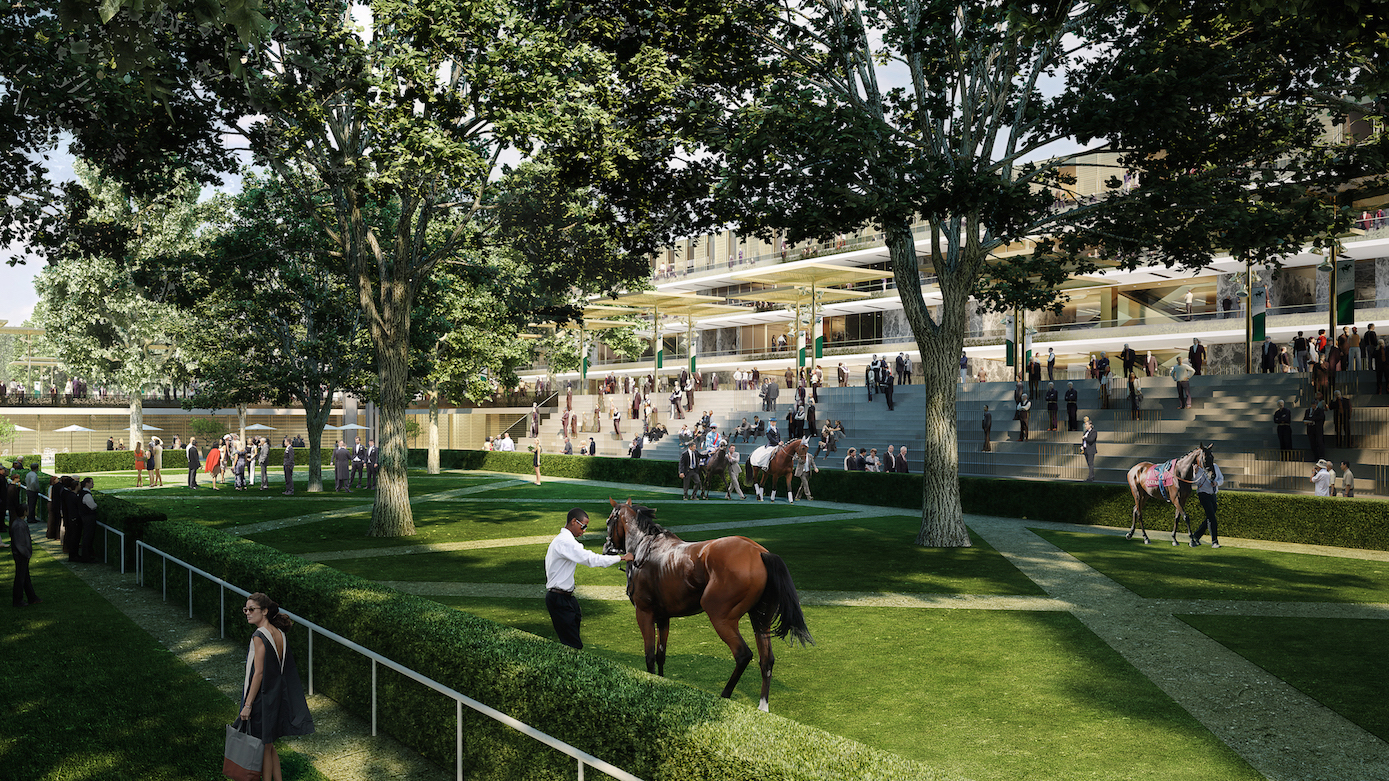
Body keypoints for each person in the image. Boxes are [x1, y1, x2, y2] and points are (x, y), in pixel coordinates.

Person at [239, 593, 315, 781]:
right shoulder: (279, 633)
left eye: (251, 610)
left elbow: (259, 673)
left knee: (264, 745)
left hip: (263, 698)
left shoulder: (259, 635)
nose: (247, 613)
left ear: (264, 611)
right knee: (269, 745)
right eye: (245, 609)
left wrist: (248, 704)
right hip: (275, 696)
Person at [545, 509, 632, 649]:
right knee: (573, 645)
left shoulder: (563, 541)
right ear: (574, 521)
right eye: (583, 526)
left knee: (573, 638)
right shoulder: (565, 542)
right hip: (558, 599)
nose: (584, 530)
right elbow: (591, 559)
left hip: (566, 598)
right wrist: (621, 557)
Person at [10, 471, 39, 607]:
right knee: (20, 578)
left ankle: (32, 596)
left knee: (25, 577)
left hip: (22, 554)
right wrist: (27, 553)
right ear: (24, 512)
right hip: (21, 555)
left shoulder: (19, 523)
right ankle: (18, 600)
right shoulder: (19, 525)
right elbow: (20, 542)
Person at [1190, 455, 1224, 548]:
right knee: (1212, 518)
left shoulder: (1215, 466)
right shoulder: (1200, 469)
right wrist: (1195, 472)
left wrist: (1216, 483)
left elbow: (1221, 479)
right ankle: (1214, 541)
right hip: (1203, 494)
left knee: (1210, 517)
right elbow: (1196, 482)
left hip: (1213, 495)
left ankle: (1196, 536)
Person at [75, 477, 99, 562]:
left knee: (87, 536)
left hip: (84, 517)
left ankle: (86, 555)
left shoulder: (82, 493)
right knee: (88, 537)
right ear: (87, 483)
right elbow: (93, 506)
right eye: (91, 482)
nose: (93, 484)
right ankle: (86, 556)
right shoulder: (87, 494)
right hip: (88, 517)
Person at [1080, 417, 1097, 481]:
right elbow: (1084, 441)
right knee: (1089, 464)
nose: (1085, 426)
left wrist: (1085, 438)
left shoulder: (1094, 431)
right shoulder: (1086, 432)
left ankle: (1091, 477)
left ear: (1090, 425)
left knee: (1091, 464)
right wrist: (1082, 446)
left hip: (1091, 450)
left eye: (1086, 424)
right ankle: (1091, 476)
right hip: (1086, 450)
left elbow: (1091, 440)